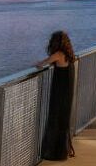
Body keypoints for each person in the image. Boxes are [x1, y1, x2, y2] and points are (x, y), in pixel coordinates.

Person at [36, 31, 76, 160]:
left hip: (60, 93)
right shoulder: (69, 55)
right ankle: (64, 150)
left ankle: (55, 153)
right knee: (63, 121)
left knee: (55, 119)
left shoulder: (58, 54)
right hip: (67, 92)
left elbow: (42, 64)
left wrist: (36, 65)